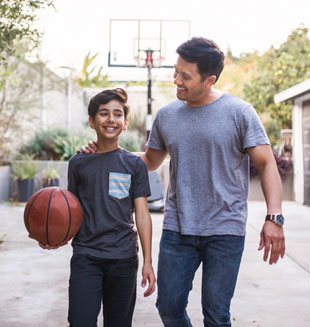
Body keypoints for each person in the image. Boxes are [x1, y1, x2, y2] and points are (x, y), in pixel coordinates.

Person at [82, 37, 285, 327]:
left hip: (225, 229)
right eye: (175, 71)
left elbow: (267, 164)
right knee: (169, 307)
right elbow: (150, 160)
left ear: (209, 80)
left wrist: (274, 217)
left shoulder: (240, 112)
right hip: (179, 228)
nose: (176, 80)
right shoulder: (167, 115)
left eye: (184, 76)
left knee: (216, 316)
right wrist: (103, 152)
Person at [39, 88, 156, 327]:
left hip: (123, 257)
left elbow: (142, 215)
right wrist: (54, 237)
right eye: (104, 114)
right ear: (92, 121)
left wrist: (147, 261)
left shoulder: (134, 165)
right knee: (80, 321)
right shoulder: (78, 162)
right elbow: (70, 211)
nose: (111, 119)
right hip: (86, 256)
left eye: (117, 114)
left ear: (125, 123)